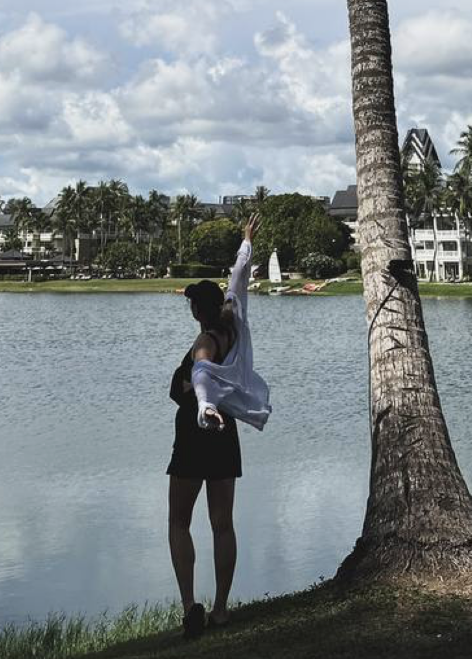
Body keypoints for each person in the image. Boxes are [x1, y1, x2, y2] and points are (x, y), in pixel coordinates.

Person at [167, 213, 271, 638]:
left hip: (197, 433)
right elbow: (239, 278)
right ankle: (222, 608)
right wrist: (246, 242)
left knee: (178, 521)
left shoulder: (206, 341)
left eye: (192, 302)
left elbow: (201, 374)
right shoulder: (235, 322)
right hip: (225, 432)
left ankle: (190, 604)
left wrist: (204, 405)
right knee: (222, 522)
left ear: (196, 309)